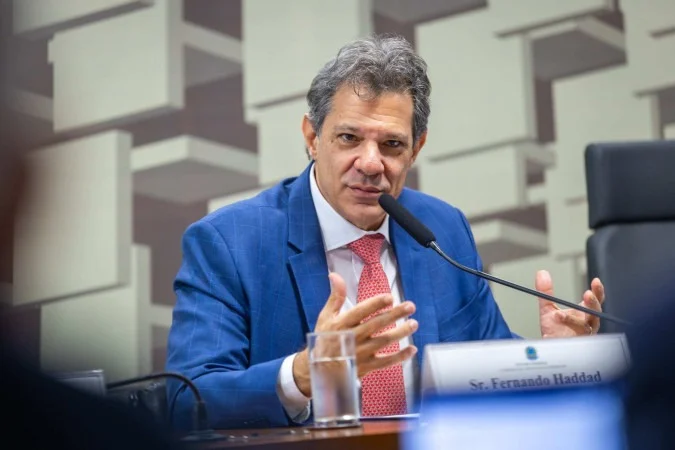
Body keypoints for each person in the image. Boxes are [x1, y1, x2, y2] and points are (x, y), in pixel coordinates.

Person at [165, 34, 605, 429]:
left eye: (392, 144)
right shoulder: (230, 242)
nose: (371, 163)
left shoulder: (443, 230)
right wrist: (303, 373)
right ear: (312, 137)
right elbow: (187, 400)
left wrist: (554, 364)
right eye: (349, 138)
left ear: (417, 147)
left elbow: (485, 370)